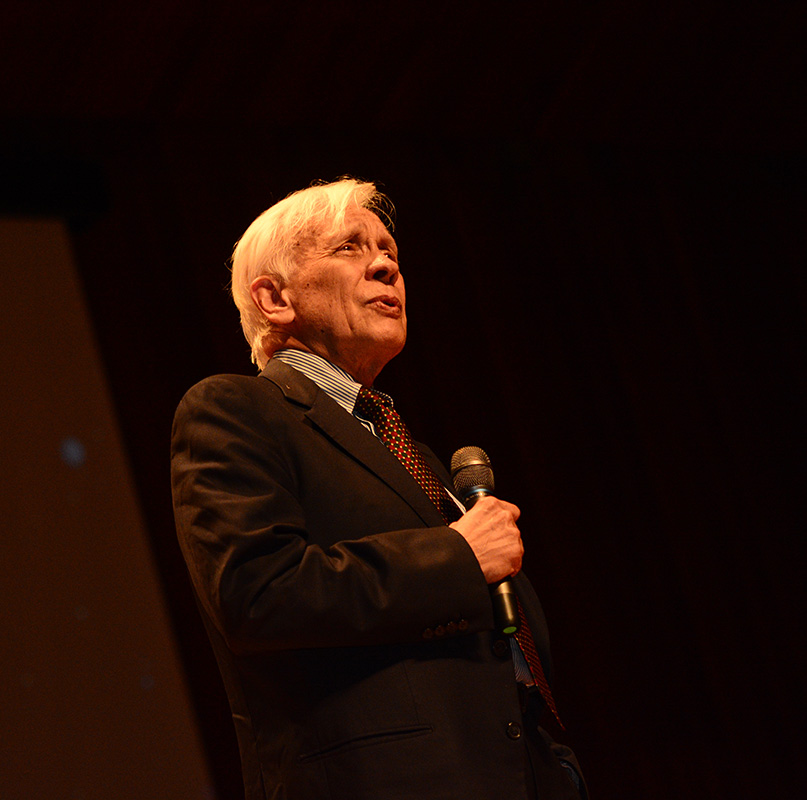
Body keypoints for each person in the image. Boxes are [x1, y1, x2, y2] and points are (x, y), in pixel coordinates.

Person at [170, 177, 585, 800]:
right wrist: (457, 557)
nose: (387, 265)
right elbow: (257, 592)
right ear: (274, 298)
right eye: (350, 248)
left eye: (390, 250)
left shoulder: (408, 451)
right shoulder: (236, 409)